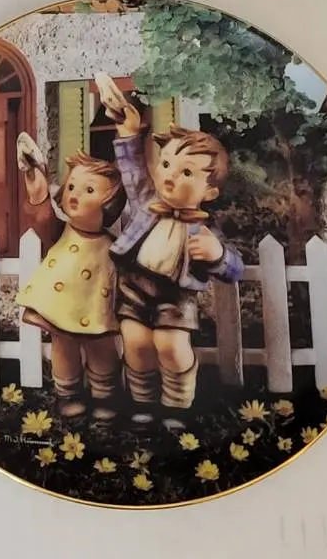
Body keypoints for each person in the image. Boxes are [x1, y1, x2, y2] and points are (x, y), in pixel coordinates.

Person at [105, 93, 243, 432]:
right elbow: (133, 171)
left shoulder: (204, 230)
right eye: (166, 164)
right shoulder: (146, 202)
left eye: (187, 172)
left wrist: (217, 255)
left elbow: (234, 270)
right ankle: (143, 403)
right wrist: (129, 133)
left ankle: (177, 404)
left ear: (209, 192)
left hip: (176, 295)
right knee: (136, 343)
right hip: (134, 285)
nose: (169, 176)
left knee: (171, 346)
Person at [15, 145, 125, 422]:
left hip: (95, 309)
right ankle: (68, 394)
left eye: (89, 190)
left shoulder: (112, 246)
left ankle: (105, 395)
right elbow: (42, 216)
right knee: (62, 347)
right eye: (72, 186)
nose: (75, 194)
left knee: (101, 349)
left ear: (110, 203)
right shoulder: (60, 230)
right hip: (59, 306)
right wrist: (37, 186)